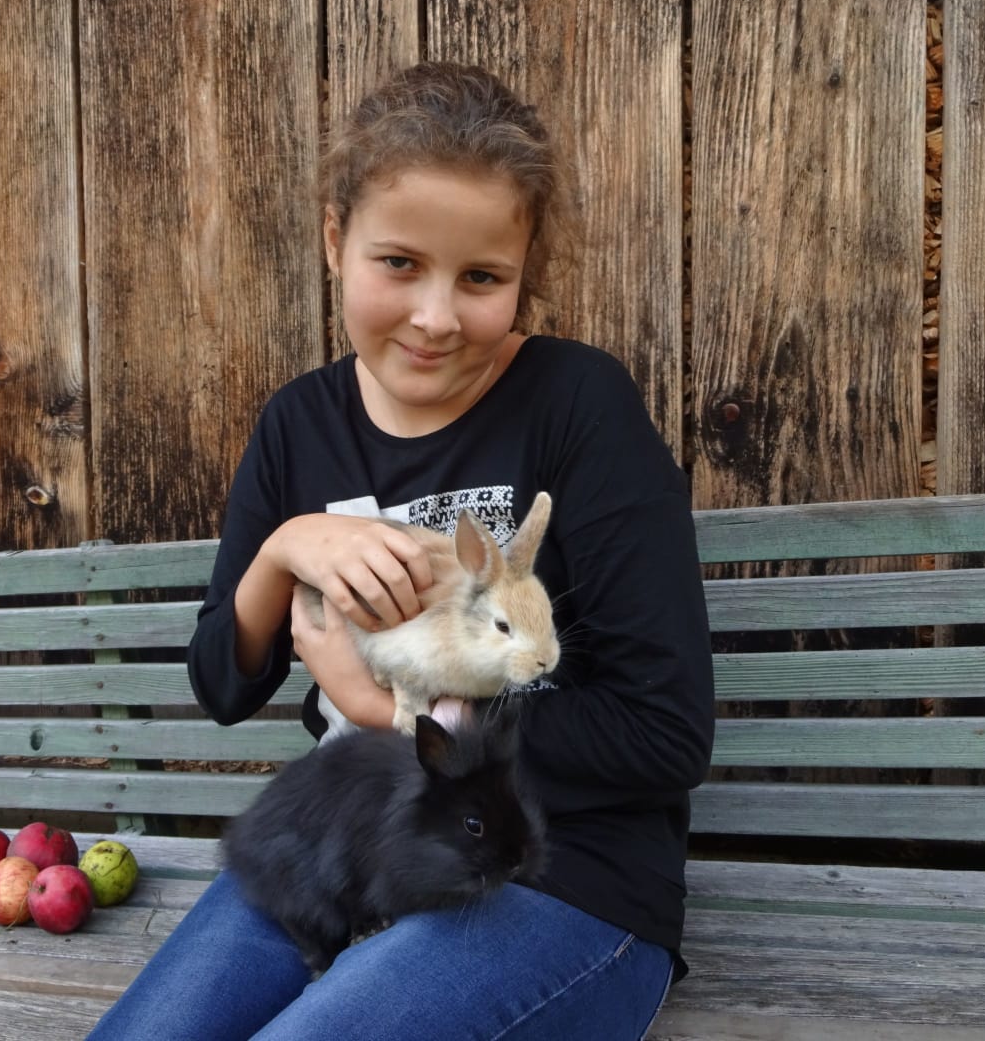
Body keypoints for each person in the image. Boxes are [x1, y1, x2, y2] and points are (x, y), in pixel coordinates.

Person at [86, 61, 714, 1041]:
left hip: (551, 874)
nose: (436, 317)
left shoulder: (577, 406)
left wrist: (396, 712)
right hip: (336, 849)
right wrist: (285, 549)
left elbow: (663, 733)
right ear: (335, 239)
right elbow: (223, 684)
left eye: (482, 278)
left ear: (525, 272)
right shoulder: (298, 425)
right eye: (399, 263)